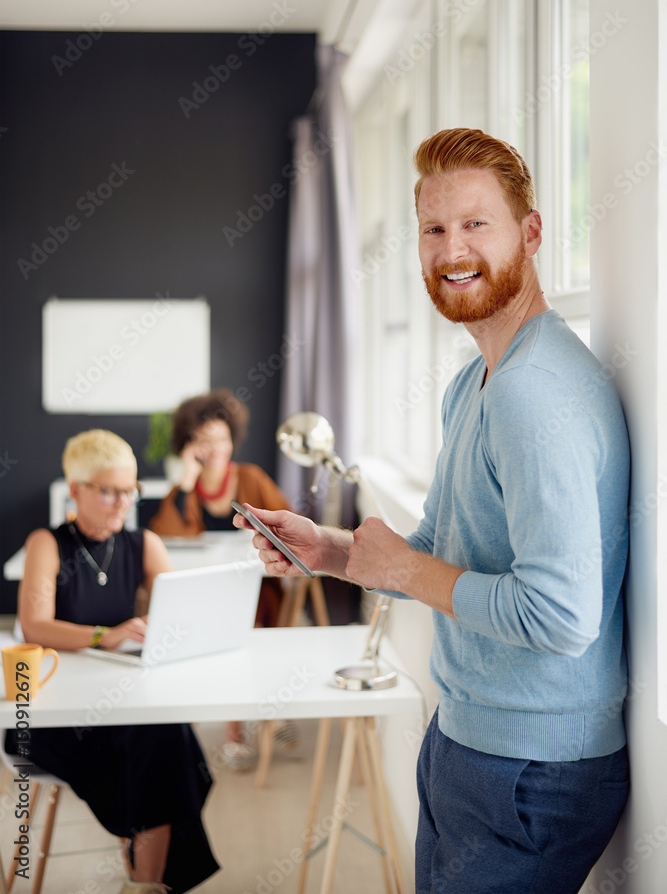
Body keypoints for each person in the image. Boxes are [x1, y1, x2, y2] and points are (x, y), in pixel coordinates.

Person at [233, 128, 631, 894]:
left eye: (476, 224)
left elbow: (560, 613)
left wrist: (404, 568)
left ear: (533, 232)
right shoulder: (473, 382)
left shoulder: (531, 393)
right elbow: (440, 552)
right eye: (434, 229)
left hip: (528, 771)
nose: (453, 249)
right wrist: (331, 550)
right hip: (470, 740)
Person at [8, 429, 219, 894]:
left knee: (163, 729)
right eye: (109, 491)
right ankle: (148, 876)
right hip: (56, 716)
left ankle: (144, 881)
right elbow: (34, 625)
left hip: (123, 704)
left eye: (130, 491)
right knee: (166, 740)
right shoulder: (48, 543)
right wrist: (105, 636)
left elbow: (180, 615)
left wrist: (166, 628)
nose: (123, 503)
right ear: (77, 490)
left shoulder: (143, 544)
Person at [149, 388, 299, 770]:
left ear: (232, 438)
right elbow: (165, 539)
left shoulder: (250, 477)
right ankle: (247, 722)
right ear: (189, 444)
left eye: (222, 437)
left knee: (243, 621)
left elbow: (291, 528)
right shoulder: (186, 489)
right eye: (205, 440)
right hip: (204, 591)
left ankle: (251, 720)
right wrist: (185, 482)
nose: (216, 447)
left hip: (256, 590)